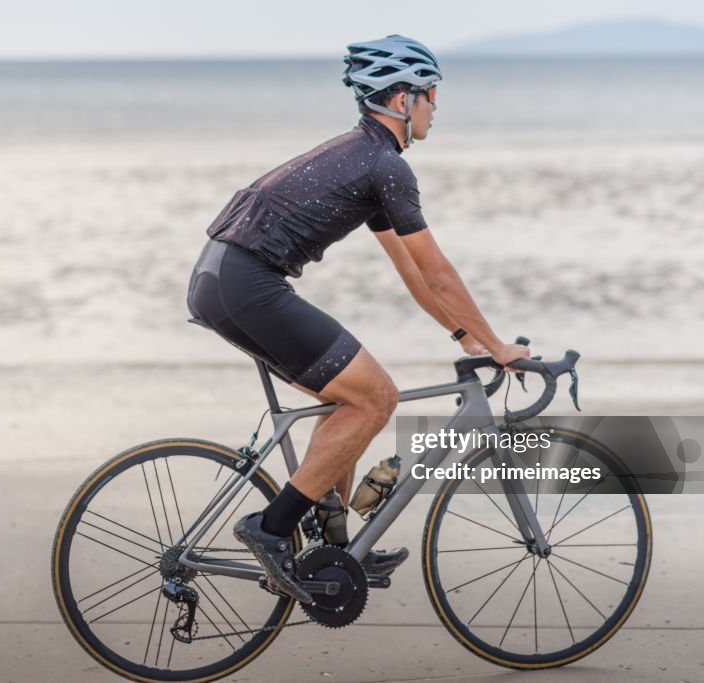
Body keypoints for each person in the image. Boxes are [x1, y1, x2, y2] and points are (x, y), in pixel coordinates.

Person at [186, 35, 530, 603]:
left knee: (349, 396)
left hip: (223, 279)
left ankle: (330, 540)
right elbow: (439, 273)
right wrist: (498, 345)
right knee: (376, 398)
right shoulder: (384, 166)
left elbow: (414, 273)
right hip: (245, 284)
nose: (436, 106)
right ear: (402, 100)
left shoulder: (366, 161)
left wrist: (468, 336)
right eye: (431, 93)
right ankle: (270, 528)